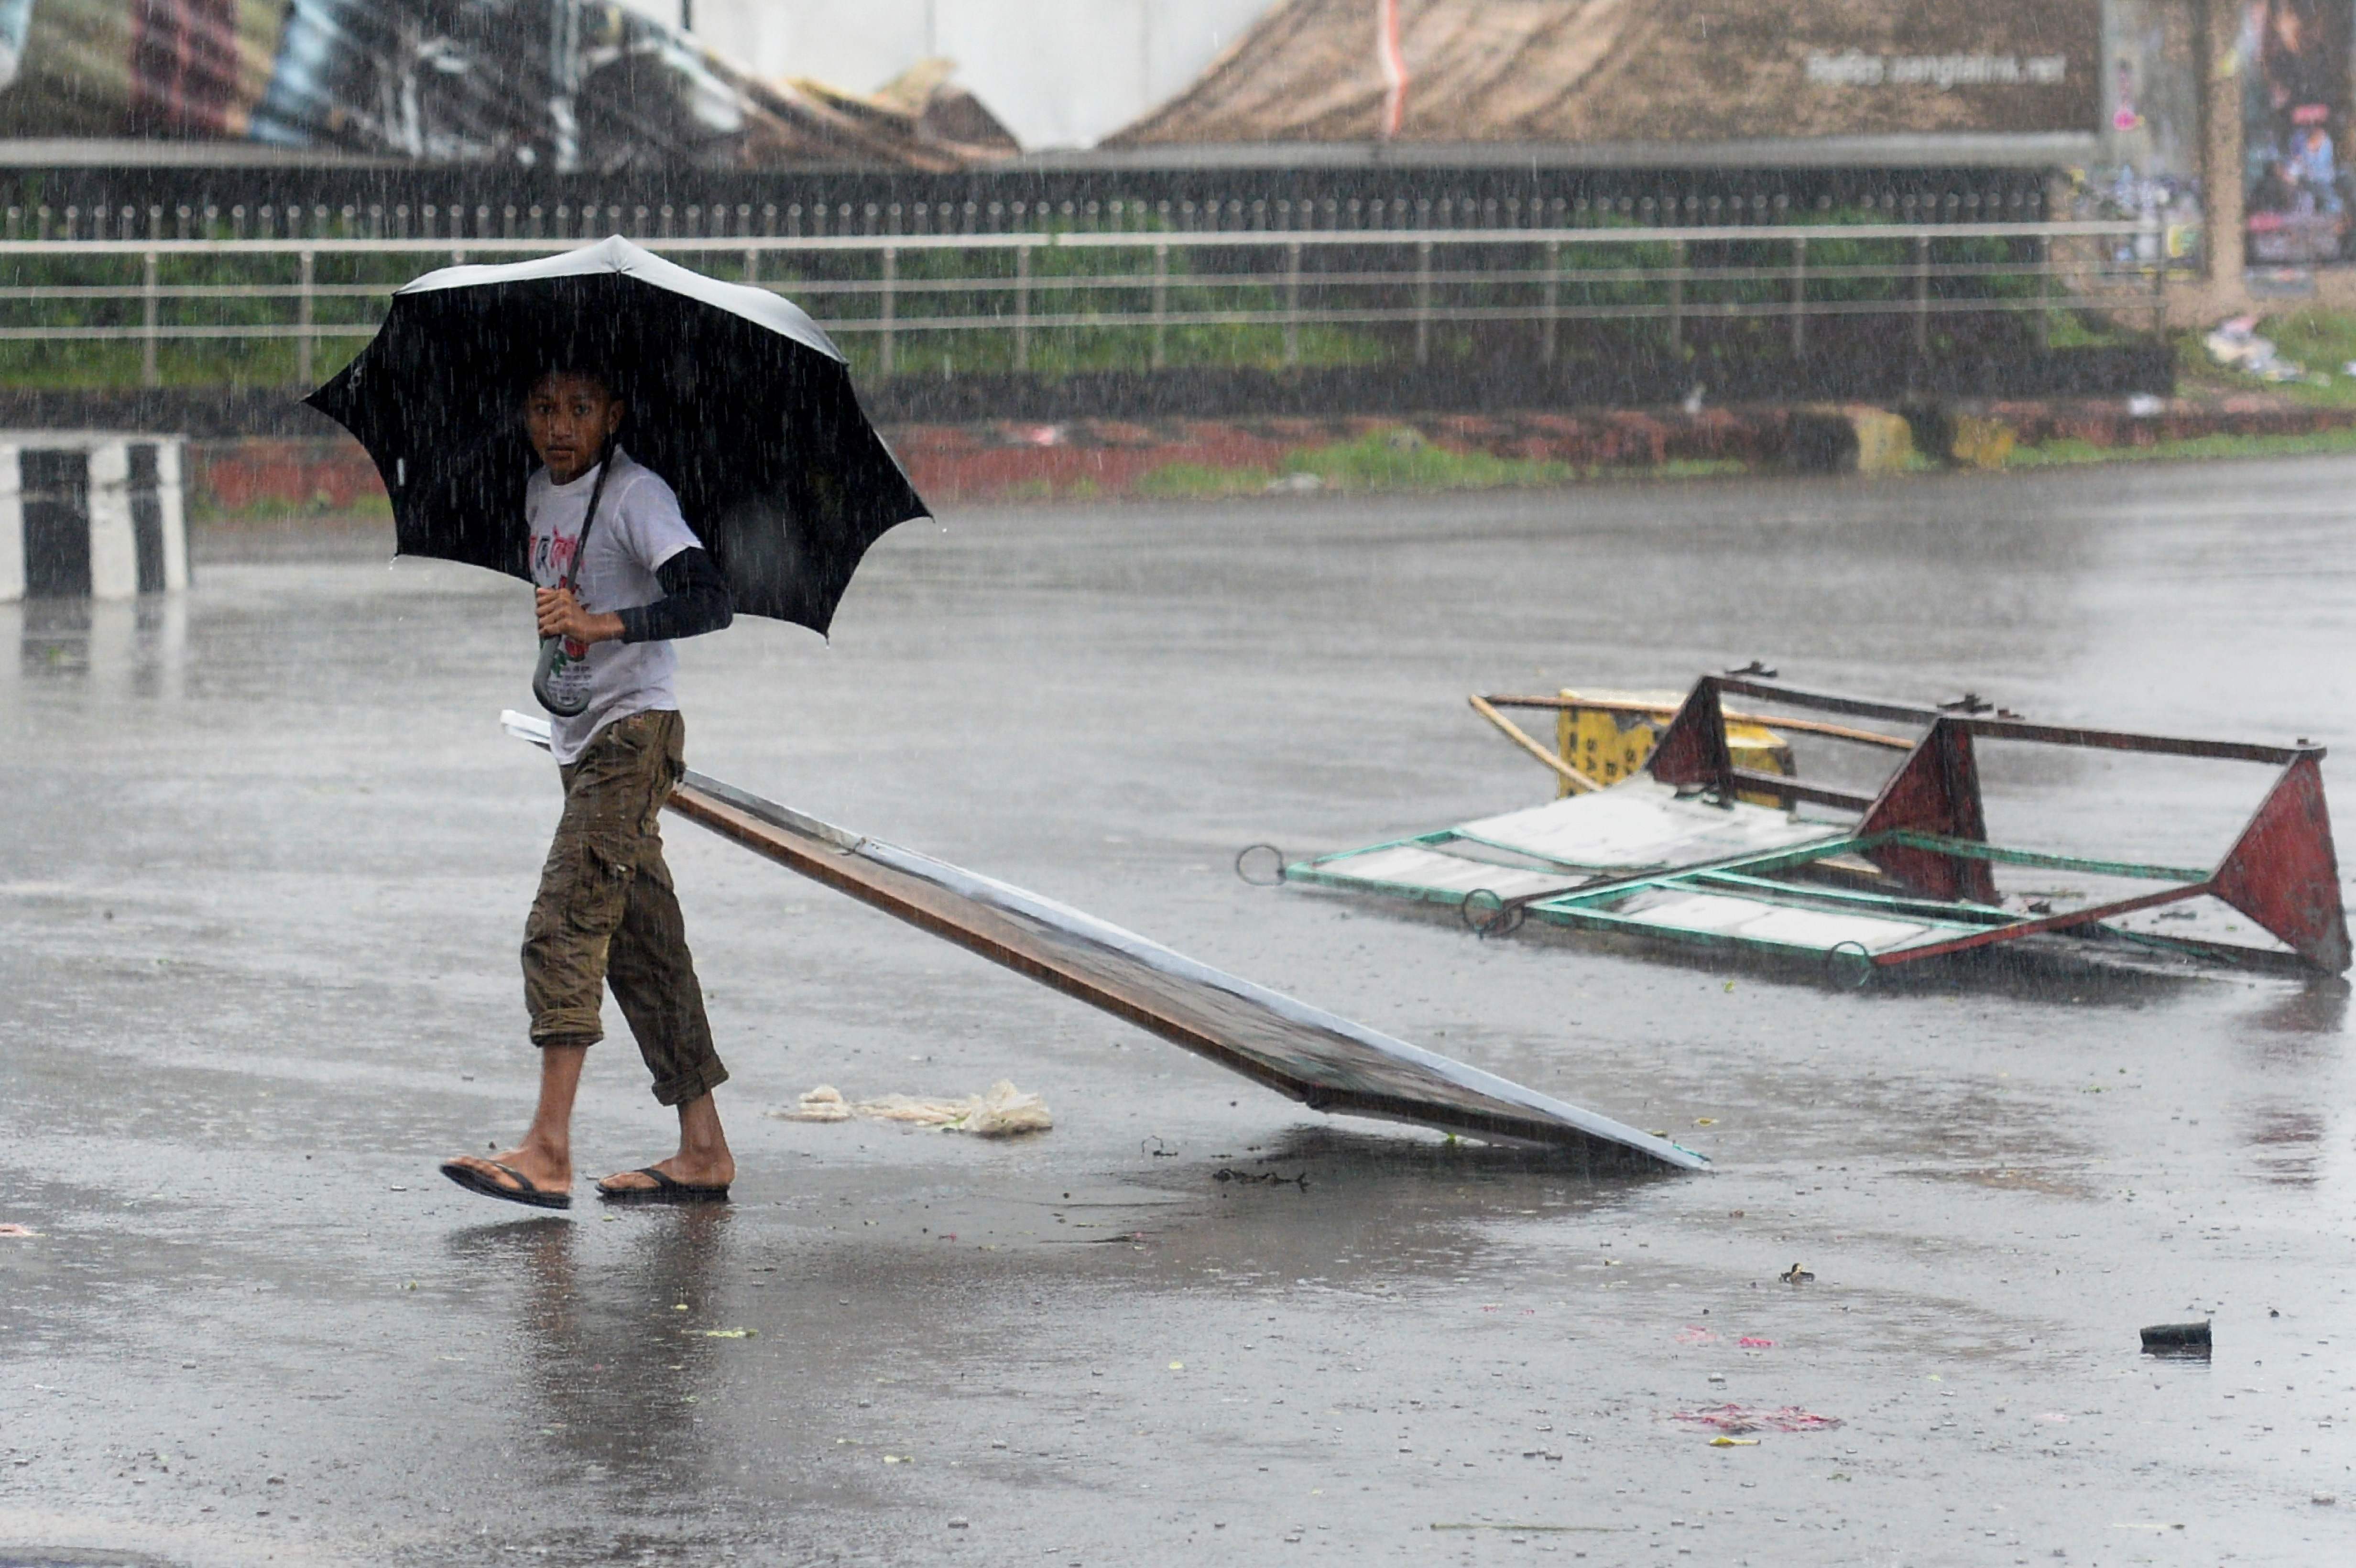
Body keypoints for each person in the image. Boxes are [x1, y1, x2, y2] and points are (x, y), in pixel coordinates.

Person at [441, 368, 738, 1209]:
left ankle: (548, 1150)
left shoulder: (638, 497)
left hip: (633, 734)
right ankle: (704, 1147)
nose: (560, 427)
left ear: (615, 412)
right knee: (645, 947)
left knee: (564, 922)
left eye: (579, 409)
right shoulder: (539, 493)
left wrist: (604, 623)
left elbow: (711, 600)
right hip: (579, 739)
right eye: (541, 408)